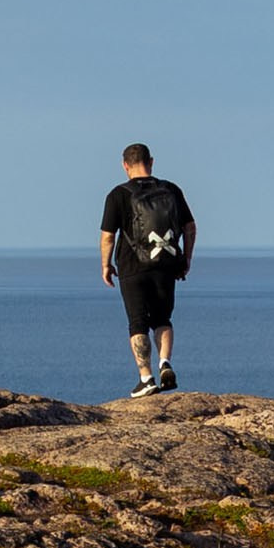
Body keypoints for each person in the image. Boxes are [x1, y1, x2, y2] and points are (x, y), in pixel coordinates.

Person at [98, 143, 196, 394]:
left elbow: (108, 236)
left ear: (125, 165)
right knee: (163, 318)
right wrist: (185, 259)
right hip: (166, 264)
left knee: (138, 322)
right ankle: (165, 362)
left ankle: (146, 378)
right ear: (151, 162)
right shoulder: (171, 190)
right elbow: (190, 227)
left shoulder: (118, 195)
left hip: (133, 267)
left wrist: (106, 265)